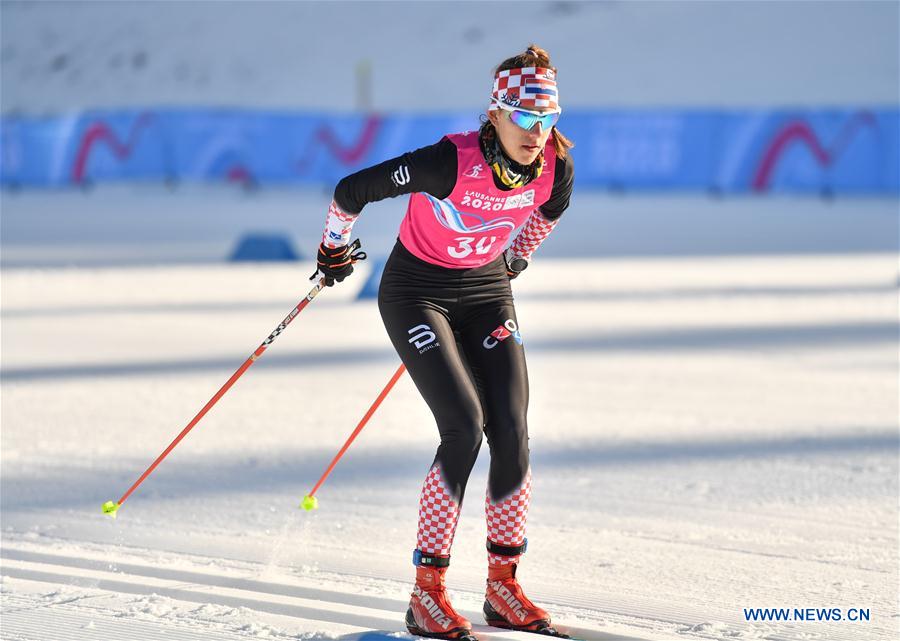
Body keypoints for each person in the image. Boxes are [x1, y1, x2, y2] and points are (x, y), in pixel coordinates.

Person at [311, 45, 575, 639]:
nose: (538, 133)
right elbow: (351, 191)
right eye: (526, 119)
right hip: (415, 294)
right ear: (497, 114)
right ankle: (426, 594)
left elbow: (548, 213)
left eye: (549, 119)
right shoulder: (448, 163)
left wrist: (517, 258)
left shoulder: (556, 165)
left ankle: (503, 586)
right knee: (463, 425)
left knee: (511, 427)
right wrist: (333, 248)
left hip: (486, 295)